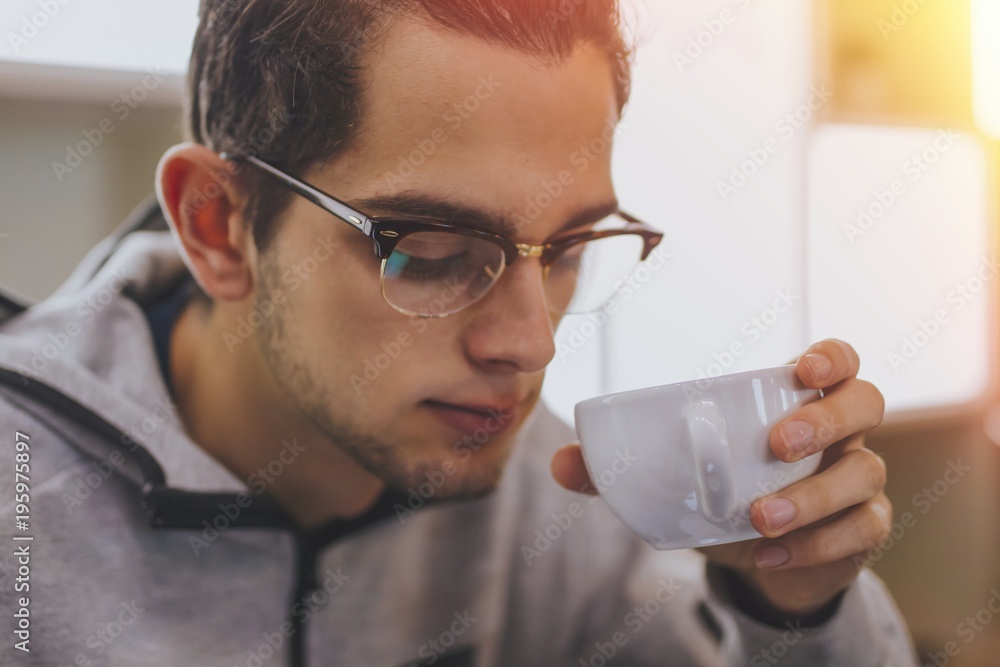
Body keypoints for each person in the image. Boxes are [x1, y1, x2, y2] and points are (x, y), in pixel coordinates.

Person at [0, 0, 918, 664]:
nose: (529, 345)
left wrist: (794, 607)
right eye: (432, 252)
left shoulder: (536, 483)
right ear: (216, 225)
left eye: (567, 247)